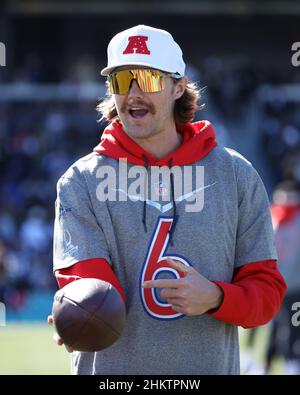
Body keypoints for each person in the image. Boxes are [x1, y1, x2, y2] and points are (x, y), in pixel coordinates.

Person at [49, 25, 286, 375]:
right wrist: (83, 313)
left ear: (178, 87)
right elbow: (91, 286)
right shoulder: (80, 181)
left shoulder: (236, 175)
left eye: (146, 78)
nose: (132, 94)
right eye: (121, 80)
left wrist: (217, 297)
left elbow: (266, 293)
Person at [263, 180, 300, 374]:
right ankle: (266, 365)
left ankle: (292, 363)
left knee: (294, 326)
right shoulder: (270, 216)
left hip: (295, 288)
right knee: (274, 328)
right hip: (276, 286)